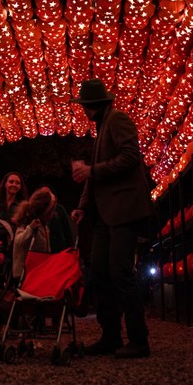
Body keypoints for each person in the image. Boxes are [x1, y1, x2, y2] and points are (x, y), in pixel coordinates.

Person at [70, 78, 156, 359]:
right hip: (104, 214)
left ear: (91, 106)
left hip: (124, 208)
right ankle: (110, 336)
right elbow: (92, 179)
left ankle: (138, 339)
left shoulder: (118, 121)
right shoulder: (101, 129)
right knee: (100, 272)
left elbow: (131, 157)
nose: (83, 110)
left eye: (83, 105)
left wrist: (93, 170)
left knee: (120, 271)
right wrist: (83, 205)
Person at [10, 186, 58, 280]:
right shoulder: (26, 222)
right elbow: (18, 242)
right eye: (50, 211)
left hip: (38, 271)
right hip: (24, 273)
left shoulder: (44, 227)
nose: (52, 214)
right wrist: (30, 229)